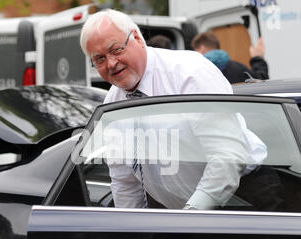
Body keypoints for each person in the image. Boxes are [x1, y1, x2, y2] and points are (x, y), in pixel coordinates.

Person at [79, 9, 284, 211]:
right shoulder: (112, 104)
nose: (111, 63)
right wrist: (130, 233)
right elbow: (125, 182)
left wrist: (190, 218)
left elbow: (228, 156)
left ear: (137, 39)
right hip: (178, 210)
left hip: (242, 196)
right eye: (99, 59)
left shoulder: (189, 74)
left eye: (116, 50)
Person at [191, 31, 269, 84]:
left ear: (202, 49)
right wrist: (257, 57)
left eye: (196, 50)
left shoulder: (196, 71)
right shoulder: (238, 68)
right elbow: (260, 82)